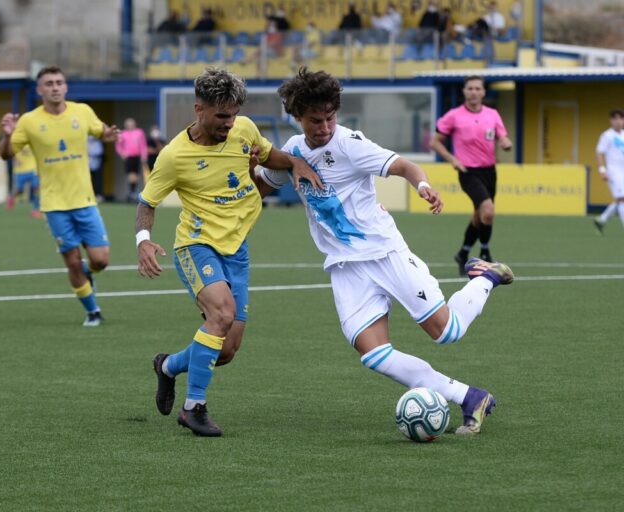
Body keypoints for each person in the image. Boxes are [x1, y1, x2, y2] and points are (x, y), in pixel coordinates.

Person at [255, 68, 514, 436]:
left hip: (385, 253)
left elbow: (405, 166)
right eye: (315, 121)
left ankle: (486, 276)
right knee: (374, 354)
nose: (325, 128)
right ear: (297, 117)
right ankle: (470, 397)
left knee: (447, 332)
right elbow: (259, 189)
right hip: (346, 268)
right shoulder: (292, 152)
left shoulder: (350, 144)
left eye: (330, 118)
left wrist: (422, 185)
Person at [137, 67, 323, 437]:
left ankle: (169, 367)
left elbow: (270, 156)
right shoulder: (174, 156)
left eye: (234, 114)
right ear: (198, 109)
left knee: (225, 350)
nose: (229, 122)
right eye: (222, 115)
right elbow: (147, 202)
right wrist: (143, 239)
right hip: (197, 245)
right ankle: (194, 408)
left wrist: (296, 162)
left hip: (237, 249)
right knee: (221, 315)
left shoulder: (245, 130)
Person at [0, 65, 119, 327]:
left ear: (65, 87)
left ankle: (89, 272)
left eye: (59, 82)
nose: (55, 87)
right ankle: (93, 311)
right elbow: (6, 154)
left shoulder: (82, 111)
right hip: (54, 205)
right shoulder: (29, 121)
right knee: (73, 263)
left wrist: (109, 134)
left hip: (85, 201)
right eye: (49, 83)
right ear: (39, 89)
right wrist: (7, 137)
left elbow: (101, 131)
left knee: (101, 260)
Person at [429, 75, 512, 276]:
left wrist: (505, 142)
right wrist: (453, 160)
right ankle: (485, 253)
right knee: (489, 211)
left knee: (480, 215)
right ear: (464, 92)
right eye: (470, 88)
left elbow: (502, 135)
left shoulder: (492, 114)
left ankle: (463, 253)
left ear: (483, 92)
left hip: (489, 171)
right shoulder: (453, 116)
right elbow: (435, 142)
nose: (474, 92)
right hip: (468, 172)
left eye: (477, 88)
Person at [593, 109, 624, 233]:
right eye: (615, 119)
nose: (618, 121)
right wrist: (602, 170)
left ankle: (602, 219)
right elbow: (599, 152)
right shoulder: (607, 135)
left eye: (620, 118)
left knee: (620, 199)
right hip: (614, 172)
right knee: (622, 198)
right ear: (611, 121)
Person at [115, 118, 148, 202]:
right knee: (131, 174)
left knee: (136, 175)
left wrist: (144, 155)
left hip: (137, 156)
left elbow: (143, 145)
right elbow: (118, 145)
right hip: (128, 156)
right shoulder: (123, 133)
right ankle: (131, 192)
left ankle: (133, 192)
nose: (130, 125)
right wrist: (122, 153)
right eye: (128, 124)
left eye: (131, 123)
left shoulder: (139, 132)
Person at [7, 144, 40, 218]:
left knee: (36, 187)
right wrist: (15, 159)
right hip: (20, 170)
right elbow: (10, 151)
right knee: (19, 190)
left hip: (33, 169)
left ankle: (35, 209)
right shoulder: (17, 140)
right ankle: (11, 198)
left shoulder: (32, 140)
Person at [87, 135, 105, 202]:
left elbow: (99, 152)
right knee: (88, 180)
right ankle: (89, 196)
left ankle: (98, 195)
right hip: (86, 165)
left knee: (97, 180)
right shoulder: (85, 142)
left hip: (96, 163)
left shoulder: (98, 143)